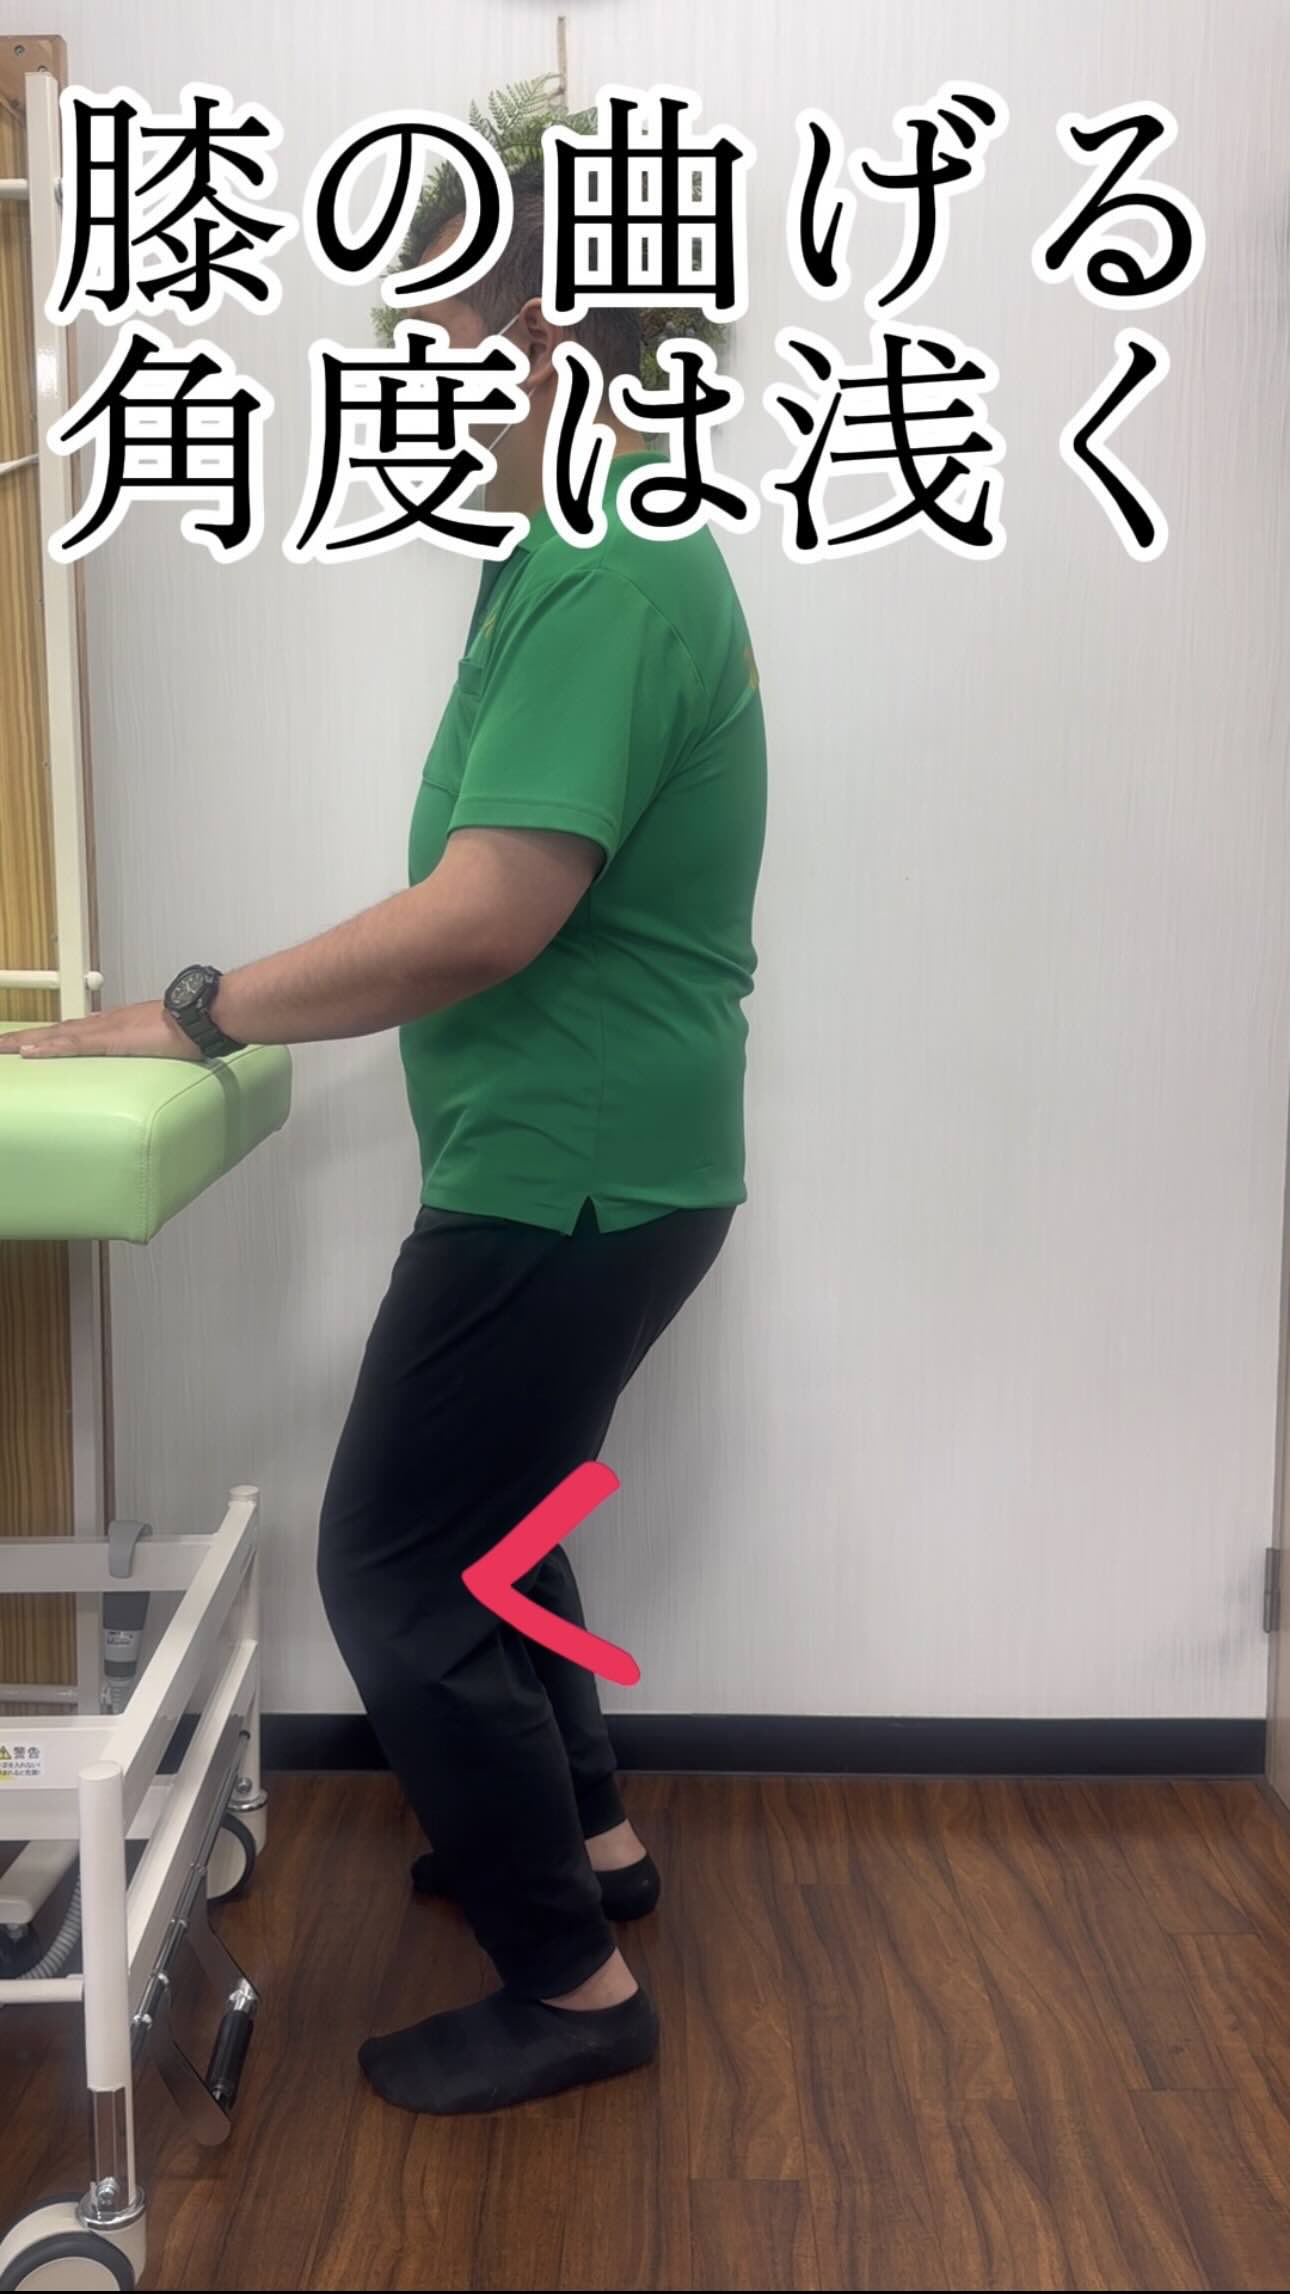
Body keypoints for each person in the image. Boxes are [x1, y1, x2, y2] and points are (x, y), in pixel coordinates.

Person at [1, 164, 767, 2116]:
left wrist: (192, 1006)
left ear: (533, 339)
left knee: (397, 1568)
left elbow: (479, 917)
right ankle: (588, 1841)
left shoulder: (607, 561)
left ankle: (574, 1986)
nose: (410, 391)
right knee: (497, 1527)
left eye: (427, 344)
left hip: (570, 1171)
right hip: (596, 1159)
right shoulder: (569, 549)